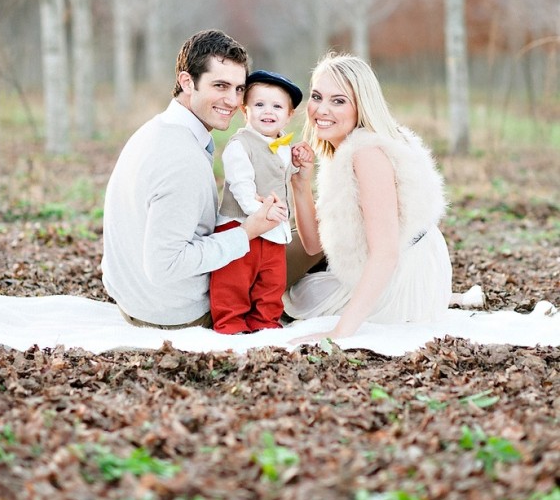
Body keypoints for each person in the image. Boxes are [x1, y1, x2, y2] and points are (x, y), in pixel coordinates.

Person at [101, 30, 286, 329]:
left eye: (239, 89)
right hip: (176, 311)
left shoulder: (156, 129)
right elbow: (165, 266)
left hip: (134, 298)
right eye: (220, 86)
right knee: (304, 242)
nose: (232, 100)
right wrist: (248, 232)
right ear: (188, 82)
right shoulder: (181, 158)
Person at [285, 53, 453, 341]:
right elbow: (315, 245)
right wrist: (300, 185)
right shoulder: (340, 149)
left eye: (338, 101)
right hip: (384, 261)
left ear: (361, 106)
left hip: (404, 277)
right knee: (279, 265)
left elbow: (386, 253)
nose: (321, 110)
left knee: (294, 298)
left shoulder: (367, 154)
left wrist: (340, 331)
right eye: (317, 96)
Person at [210, 69, 311, 334]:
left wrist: (300, 167)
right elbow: (242, 187)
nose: (268, 111)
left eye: (277, 106)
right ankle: (229, 322)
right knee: (234, 279)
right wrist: (260, 212)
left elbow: (281, 176)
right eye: (259, 104)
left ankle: (264, 322)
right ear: (246, 111)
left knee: (272, 281)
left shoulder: (282, 147)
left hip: (275, 231)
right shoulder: (239, 146)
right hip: (242, 226)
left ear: (289, 115)